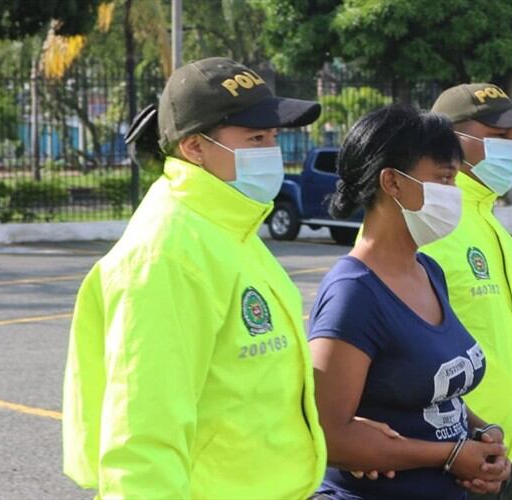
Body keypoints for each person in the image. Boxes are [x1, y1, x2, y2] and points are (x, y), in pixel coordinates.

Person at [61, 57, 328, 499]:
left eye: (273, 137)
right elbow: (141, 438)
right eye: (255, 138)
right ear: (194, 147)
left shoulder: (228, 225)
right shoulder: (164, 254)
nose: (271, 151)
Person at [307, 104, 512, 500]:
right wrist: (450, 456)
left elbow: (436, 392)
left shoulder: (428, 271)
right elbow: (328, 434)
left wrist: (481, 434)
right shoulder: (354, 293)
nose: (453, 195)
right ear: (392, 182)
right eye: (444, 179)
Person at [423, 83, 512, 500]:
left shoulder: (488, 221)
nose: (511, 148)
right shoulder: (427, 222)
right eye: (498, 136)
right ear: (449, 140)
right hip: (456, 461)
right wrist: (446, 451)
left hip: (503, 453)